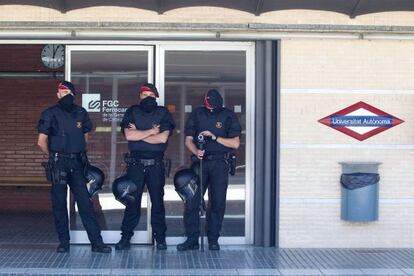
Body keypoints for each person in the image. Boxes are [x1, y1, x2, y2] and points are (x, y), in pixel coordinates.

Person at [37, 81, 111, 253]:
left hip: (77, 163)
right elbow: (41, 142)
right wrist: (54, 156)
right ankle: (64, 243)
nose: (64, 94)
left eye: (67, 91)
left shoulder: (81, 112)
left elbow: (86, 138)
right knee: (59, 204)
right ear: (57, 95)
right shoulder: (50, 113)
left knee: (85, 203)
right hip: (59, 163)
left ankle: (97, 243)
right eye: (61, 92)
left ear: (73, 94)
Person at [177, 89, 241, 251]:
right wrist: (195, 151)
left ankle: (213, 239)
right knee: (192, 201)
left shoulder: (228, 115)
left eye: (212, 106)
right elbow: (188, 140)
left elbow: (235, 144)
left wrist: (214, 137)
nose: (210, 109)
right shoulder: (198, 114)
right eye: (208, 106)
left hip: (220, 164)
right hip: (201, 163)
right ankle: (192, 239)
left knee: (217, 203)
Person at [115, 83, 175, 250]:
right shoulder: (132, 112)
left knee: (157, 202)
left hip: (156, 165)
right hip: (135, 165)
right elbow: (129, 135)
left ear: (155, 96)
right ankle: (125, 238)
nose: (147, 98)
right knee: (132, 203)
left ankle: (160, 239)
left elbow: (162, 139)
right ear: (139, 97)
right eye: (143, 95)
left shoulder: (163, 113)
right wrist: (151, 132)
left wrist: (139, 134)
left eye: (150, 94)